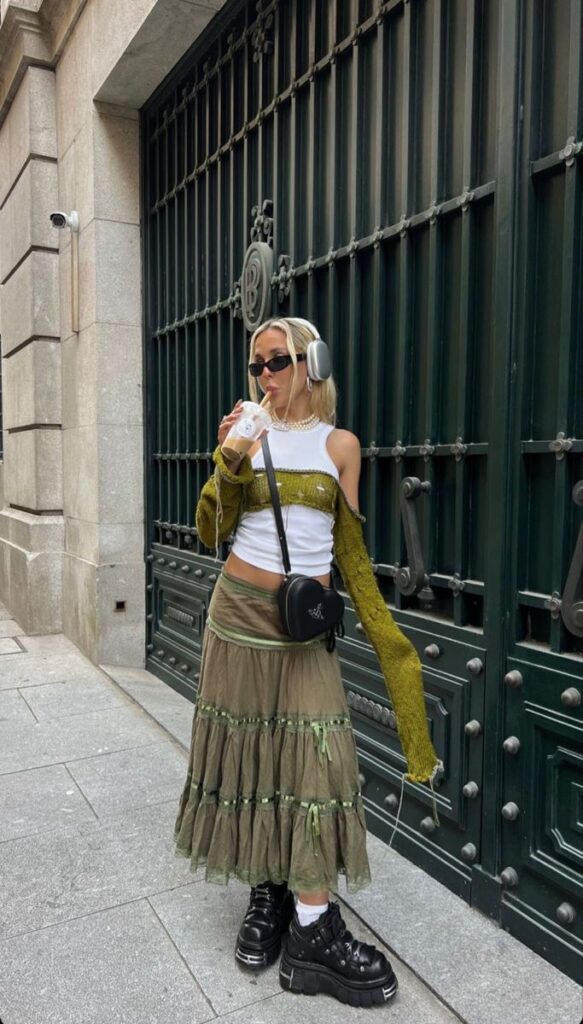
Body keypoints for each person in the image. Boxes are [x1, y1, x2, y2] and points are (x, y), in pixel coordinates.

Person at [174, 316, 440, 1007]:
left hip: (302, 629)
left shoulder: (340, 446)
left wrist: (395, 654)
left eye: (278, 361)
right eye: (256, 364)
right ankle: (270, 895)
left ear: (311, 363)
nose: (265, 375)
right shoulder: (243, 428)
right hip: (236, 620)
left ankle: (313, 931)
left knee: (316, 764)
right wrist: (229, 457)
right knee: (254, 757)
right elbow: (209, 528)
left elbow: (346, 549)